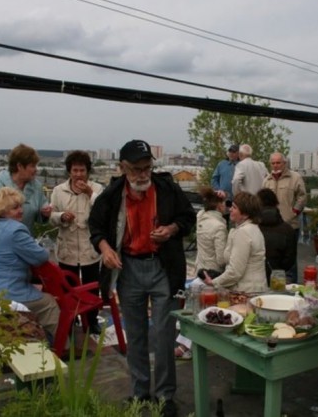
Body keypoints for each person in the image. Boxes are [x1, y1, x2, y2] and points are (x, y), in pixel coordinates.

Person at [89, 139, 195, 417]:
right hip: (129, 269)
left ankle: (164, 396)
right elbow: (96, 227)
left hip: (162, 267)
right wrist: (105, 248)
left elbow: (188, 218)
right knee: (135, 334)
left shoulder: (166, 188)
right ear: (122, 168)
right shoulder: (112, 195)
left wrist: (171, 229)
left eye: (147, 168)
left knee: (164, 334)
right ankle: (139, 392)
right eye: (136, 169)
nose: (142, 175)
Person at [0, 187, 59, 344]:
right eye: (15, 208)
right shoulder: (15, 230)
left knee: (34, 294)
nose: (21, 211)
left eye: (21, 206)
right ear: (3, 211)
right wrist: (42, 247)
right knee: (49, 303)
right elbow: (40, 256)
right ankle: (57, 346)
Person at [50, 150, 104, 334]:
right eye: (75, 170)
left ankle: (91, 319)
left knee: (91, 285)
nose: (79, 174)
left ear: (88, 171)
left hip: (90, 246)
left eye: (82, 170)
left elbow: (104, 213)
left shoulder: (97, 189)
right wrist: (61, 216)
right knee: (68, 287)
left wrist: (90, 193)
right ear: (69, 171)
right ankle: (71, 319)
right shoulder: (59, 191)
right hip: (67, 246)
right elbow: (51, 215)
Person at [175, 185, 228, 360]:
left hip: (200, 269)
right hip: (213, 274)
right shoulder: (220, 227)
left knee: (194, 307)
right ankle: (187, 345)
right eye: (225, 204)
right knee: (203, 310)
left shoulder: (201, 217)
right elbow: (221, 259)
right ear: (219, 206)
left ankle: (184, 343)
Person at [0, 143, 51, 250]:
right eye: (32, 166)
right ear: (20, 166)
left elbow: (40, 213)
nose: (36, 170)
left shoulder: (36, 186)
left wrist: (45, 213)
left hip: (24, 246)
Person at [201, 191, 268, 293]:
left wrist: (213, 282)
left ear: (245, 214)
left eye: (234, 207)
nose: (230, 209)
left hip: (246, 291)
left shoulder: (243, 233)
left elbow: (235, 271)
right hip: (254, 288)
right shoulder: (252, 228)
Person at [262, 152, 306, 283]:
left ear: (284, 163)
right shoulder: (266, 180)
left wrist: (294, 212)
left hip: (290, 225)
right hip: (271, 228)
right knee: (273, 259)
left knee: (290, 260)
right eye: (273, 163)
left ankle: (292, 288)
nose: (275, 165)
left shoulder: (295, 177)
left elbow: (302, 196)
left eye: (278, 162)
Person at [256, 188, 296, 285]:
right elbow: (289, 261)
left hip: (255, 279)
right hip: (278, 279)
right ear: (276, 203)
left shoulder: (252, 228)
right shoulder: (288, 230)